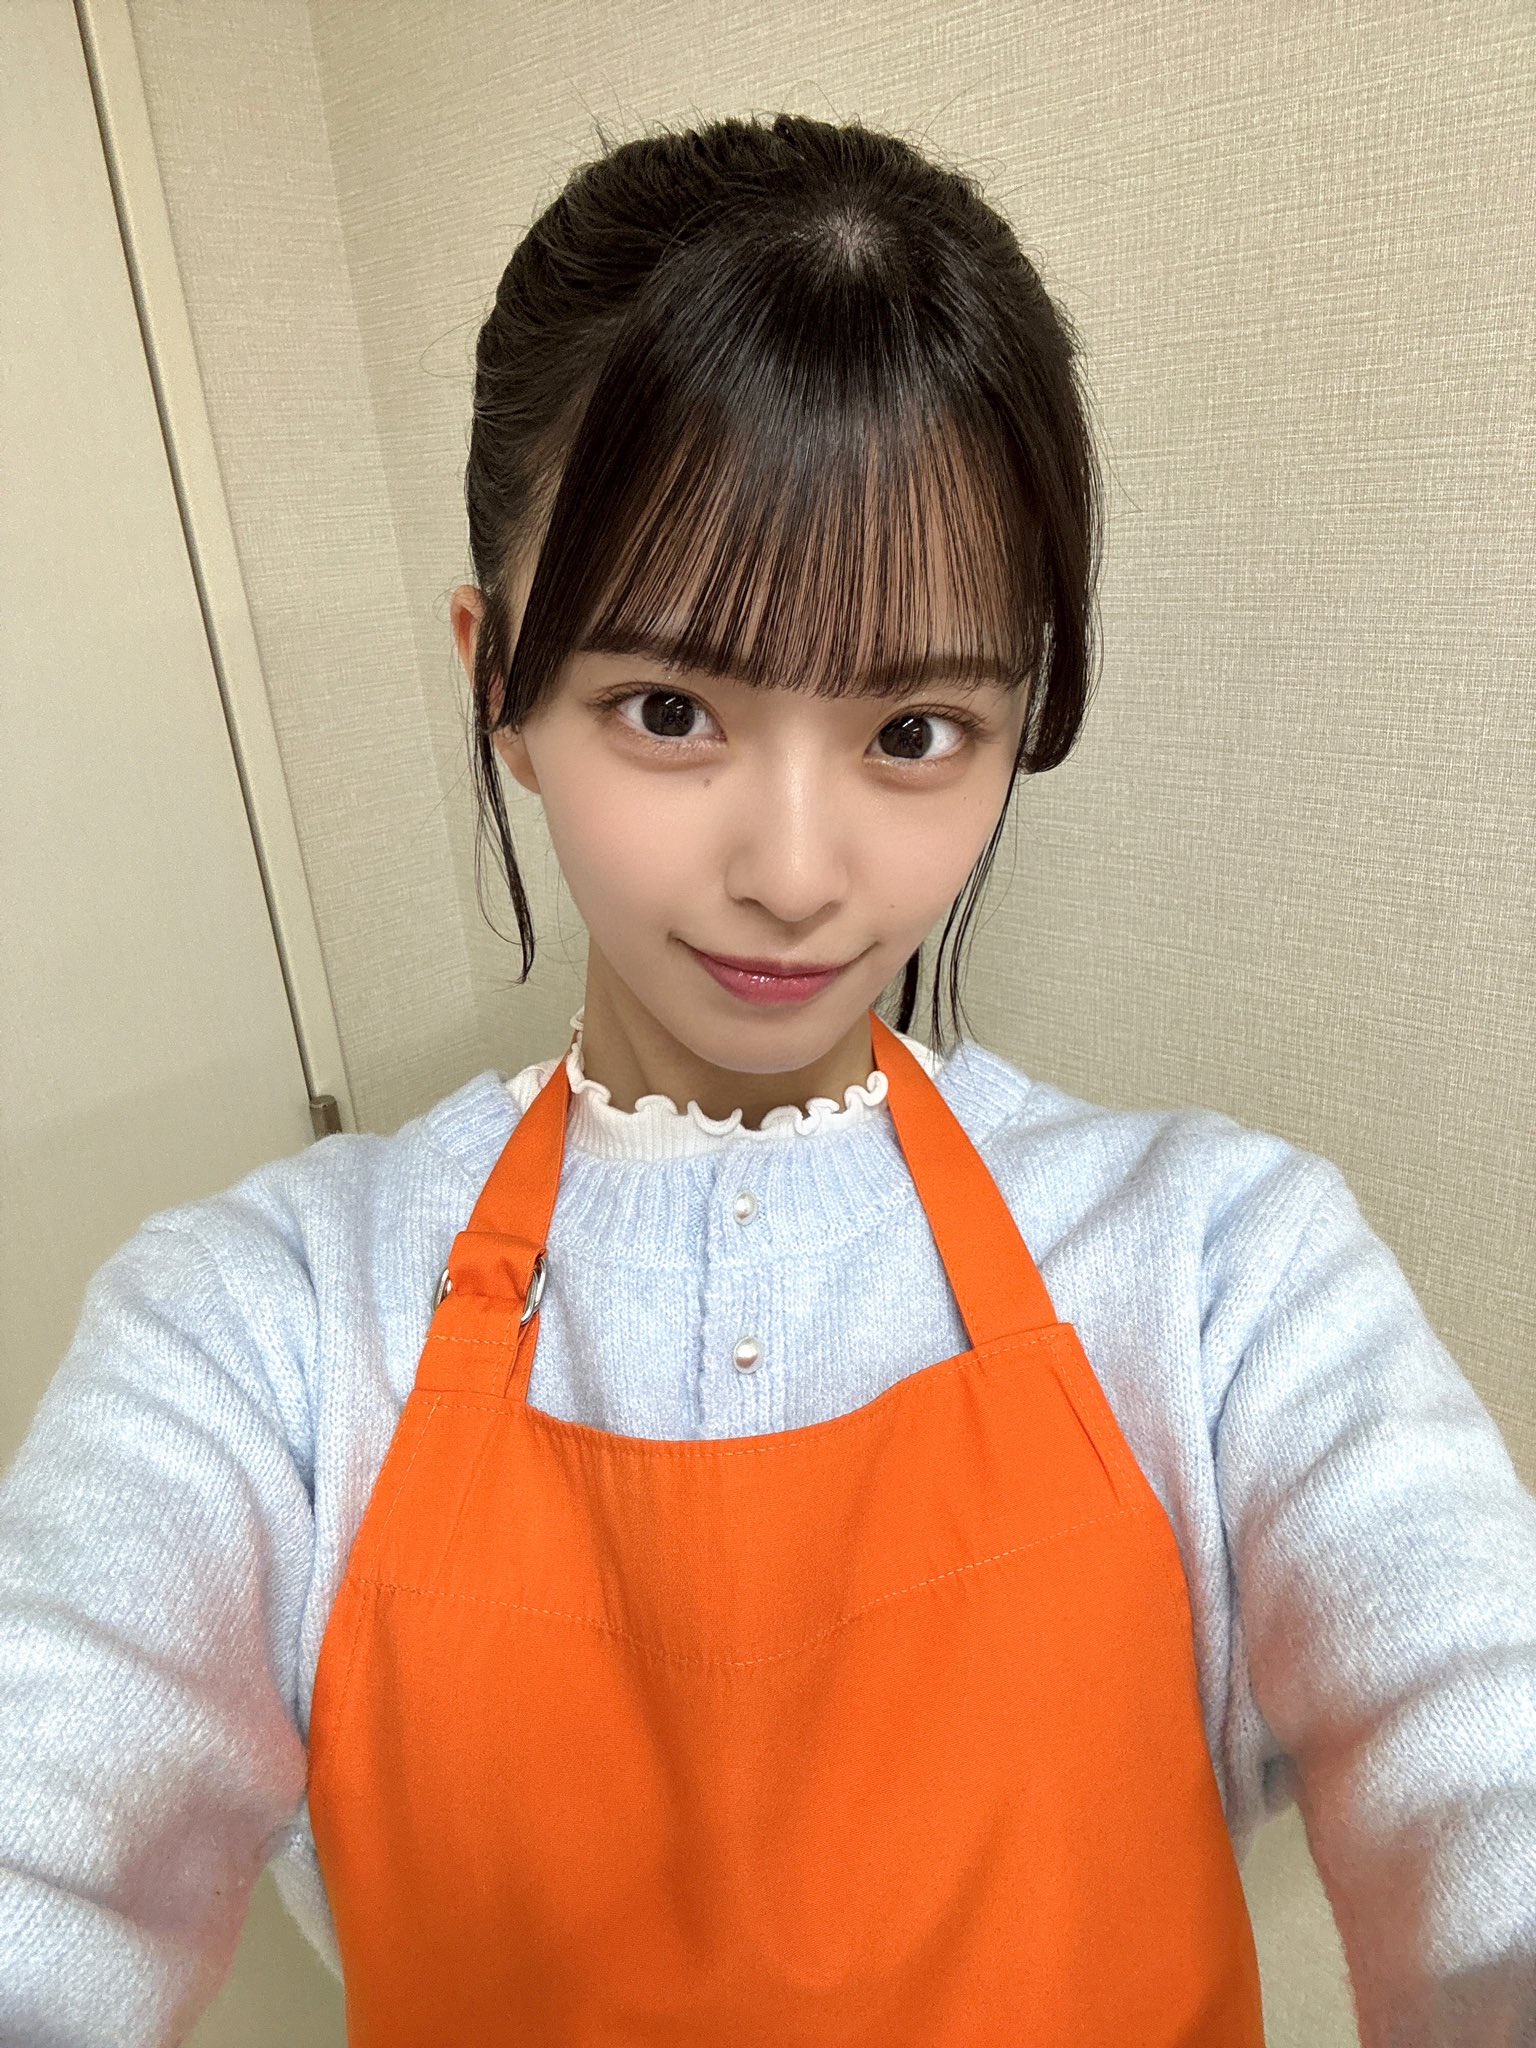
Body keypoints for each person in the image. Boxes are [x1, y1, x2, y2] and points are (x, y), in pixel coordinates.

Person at [2, 111, 1533, 2048]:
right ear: (500, 685)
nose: (797, 873)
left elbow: (1485, 1756)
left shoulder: (1227, 1275)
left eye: (914, 728)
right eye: (671, 708)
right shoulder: (265, 1333)